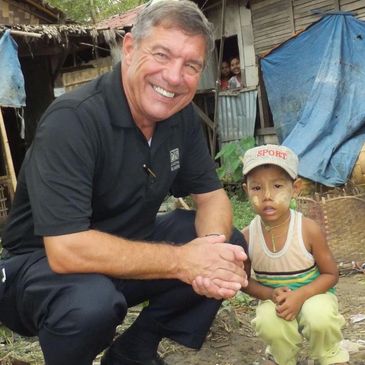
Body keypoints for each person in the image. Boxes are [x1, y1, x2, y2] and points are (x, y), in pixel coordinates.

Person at [0, 2, 248, 365]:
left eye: (191, 65)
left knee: (230, 245)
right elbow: (67, 249)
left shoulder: (178, 118)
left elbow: (212, 198)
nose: (174, 77)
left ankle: (134, 352)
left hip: (123, 253)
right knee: (90, 305)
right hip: (37, 270)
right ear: (129, 49)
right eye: (161, 54)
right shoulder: (73, 120)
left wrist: (208, 252)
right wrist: (183, 262)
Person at [240, 144, 349, 365]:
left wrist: (300, 296)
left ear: (296, 188)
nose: (267, 196)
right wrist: (269, 294)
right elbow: (243, 281)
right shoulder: (247, 237)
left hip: (315, 294)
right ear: (246, 191)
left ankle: (329, 355)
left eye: (278, 185)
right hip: (275, 299)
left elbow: (331, 274)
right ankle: (283, 358)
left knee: (320, 318)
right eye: (257, 188)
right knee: (267, 321)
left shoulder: (308, 230)